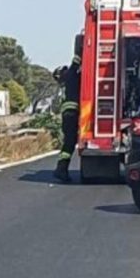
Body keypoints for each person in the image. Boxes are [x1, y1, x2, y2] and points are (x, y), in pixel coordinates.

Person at [53, 53, 82, 183]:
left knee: (69, 142)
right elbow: (75, 62)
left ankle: (62, 167)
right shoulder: (70, 76)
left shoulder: (66, 82)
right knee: (70, 141)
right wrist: (81, 47)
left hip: (68, 114)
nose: (67, 70)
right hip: (71, 113)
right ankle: (61, 169)